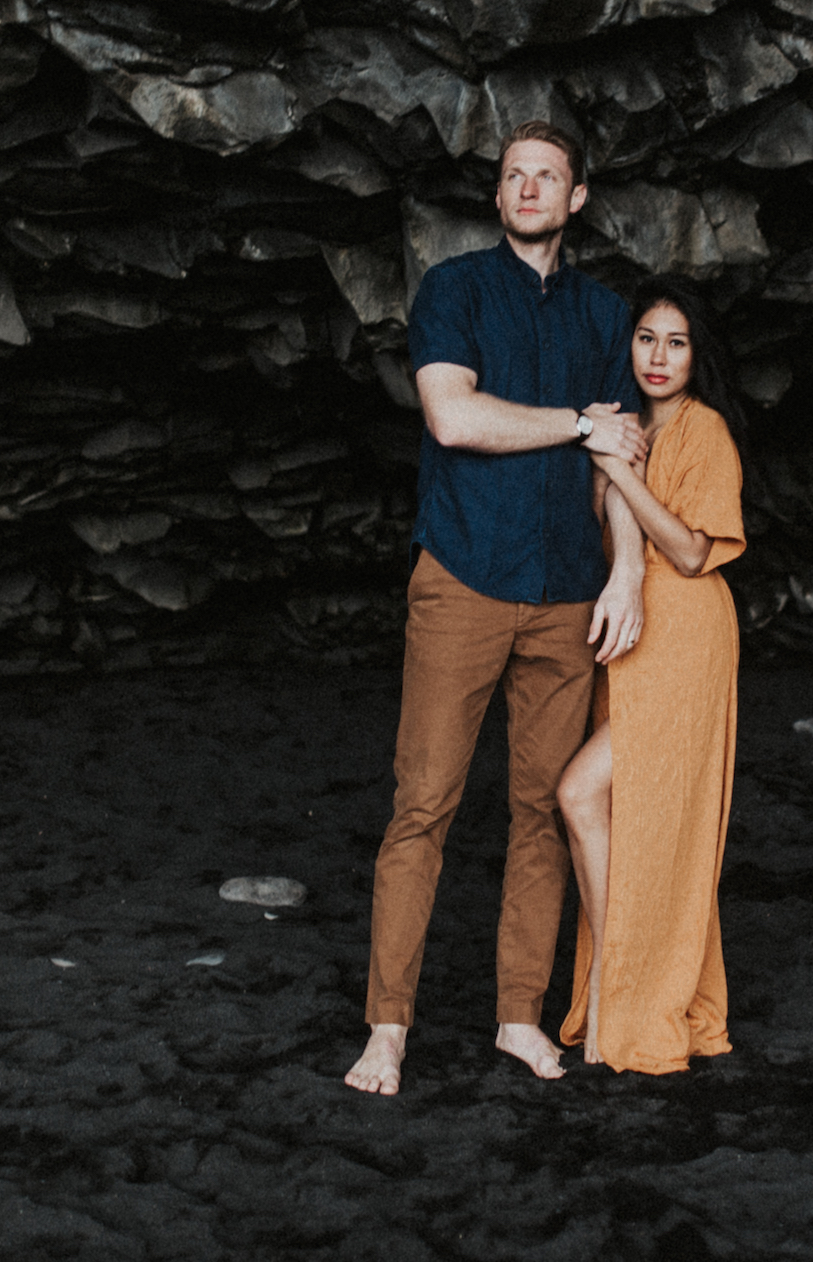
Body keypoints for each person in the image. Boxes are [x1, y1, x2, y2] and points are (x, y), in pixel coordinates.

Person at [344, 121, 652, 1097]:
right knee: (423, 806)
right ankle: (387, 1029)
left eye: (545, 176)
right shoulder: (455, 289)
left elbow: (624, 460)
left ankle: (517, 1014)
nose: (527, 188)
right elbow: (452, 415)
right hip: (465, 582)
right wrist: (574, 421)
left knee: (540, 813)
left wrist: (631, 572)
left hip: (567, 593)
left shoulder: (609, 317)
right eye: (513, 175)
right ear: (498, 197)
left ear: (577, 198)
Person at [555, 275, 749, 1074]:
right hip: (639, 641)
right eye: (646, 338)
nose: (659, 355)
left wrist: (619, 472)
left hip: (688, 633)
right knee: (613, 806)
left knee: (586, 793)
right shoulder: (627, 426)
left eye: (676, 341)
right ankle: (625, 977)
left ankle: (623, 984)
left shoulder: (704, 432)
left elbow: (695, 550)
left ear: (697, 355)